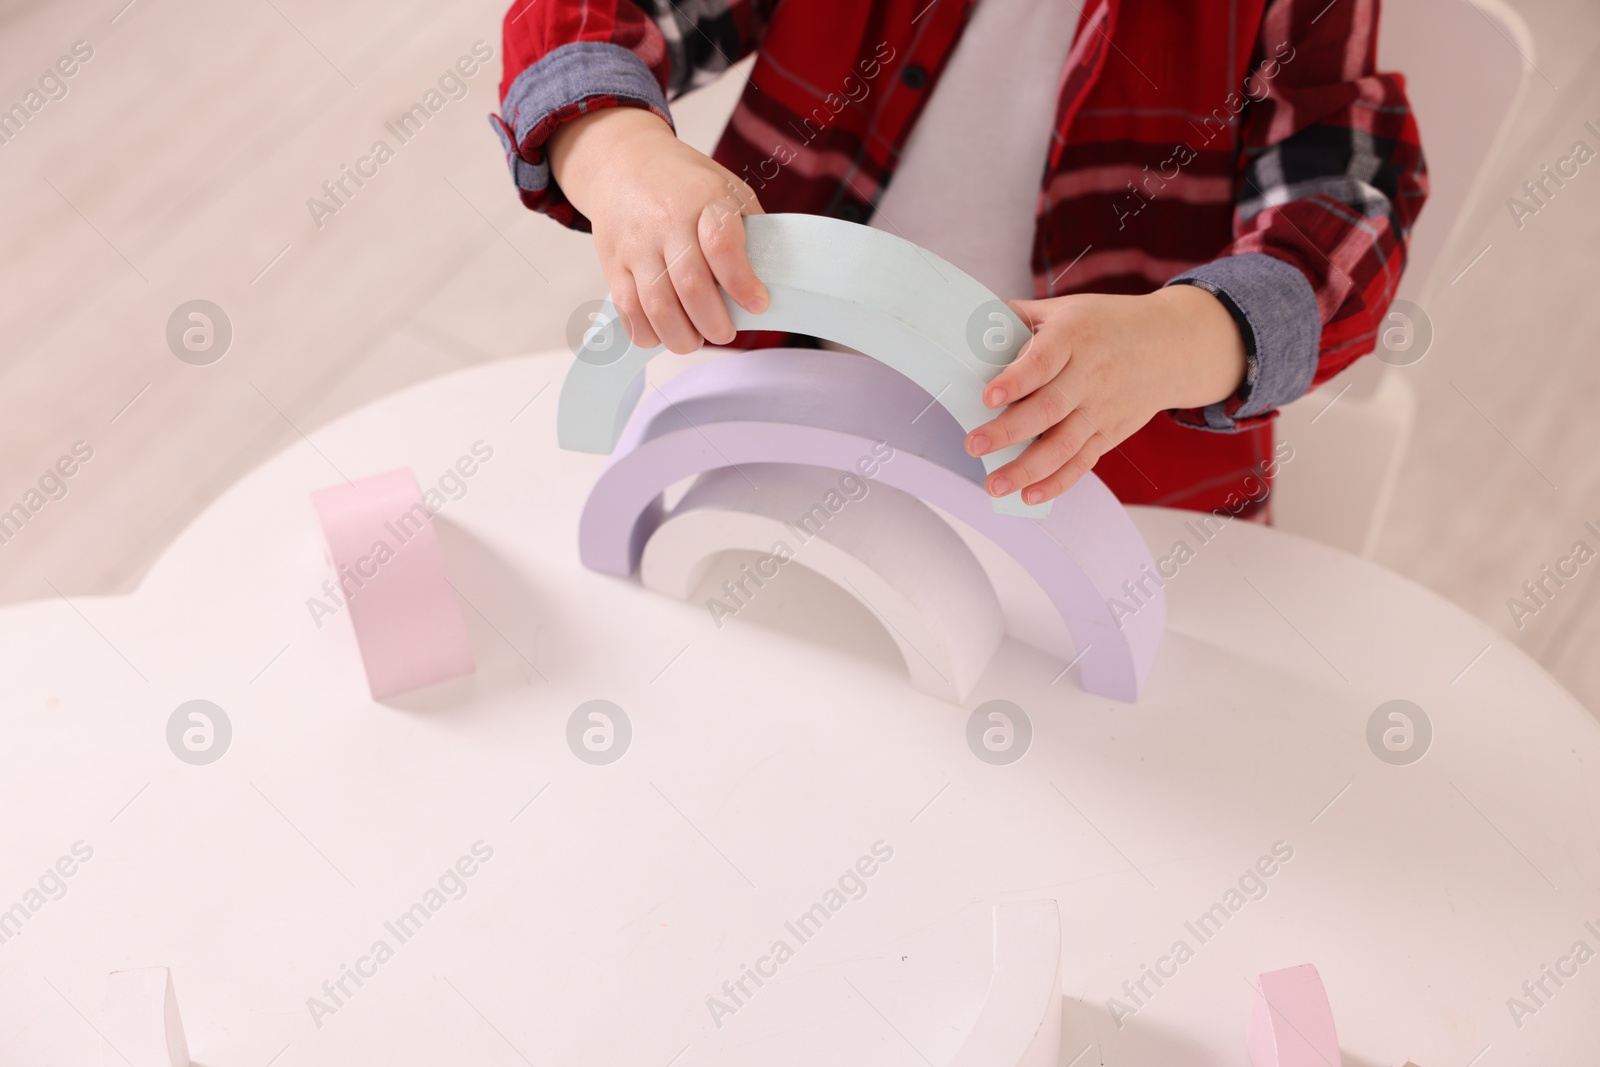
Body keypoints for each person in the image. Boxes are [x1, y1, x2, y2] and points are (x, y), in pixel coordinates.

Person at [490, 0, 1425, 515]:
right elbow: (589, 15)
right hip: (776, 436)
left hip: (1107, 507)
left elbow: (1350, 206)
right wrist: (617, 155)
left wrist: (1180, 338)